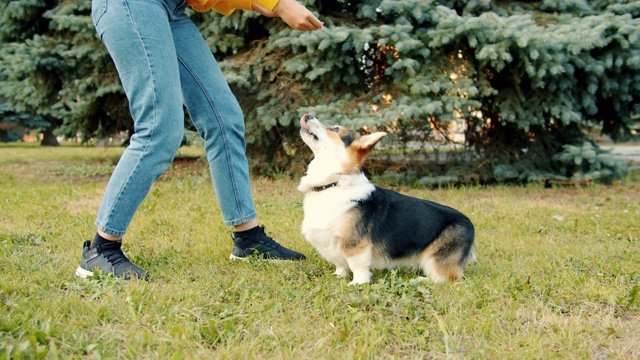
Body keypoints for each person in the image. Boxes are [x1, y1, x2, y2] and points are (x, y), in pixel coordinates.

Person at [75, 0, 323, 279]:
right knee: (158, 129)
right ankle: (100, 250)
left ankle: (248, 238)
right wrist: (278, 3)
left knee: (224, 118)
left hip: (172, 8)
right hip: (134, 5)